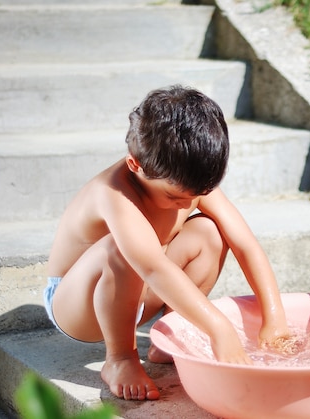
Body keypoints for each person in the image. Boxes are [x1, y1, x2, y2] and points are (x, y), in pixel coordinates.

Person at [44, 85, 292, 400]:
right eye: (174, 196)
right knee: (120, 250)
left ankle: (168, 337)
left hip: (137, 294)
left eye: (195, 195)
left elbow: (244, 243)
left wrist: (275, 317)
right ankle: (120, 358)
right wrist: (218, 327)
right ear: (136, 165)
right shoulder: (113, 194)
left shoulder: (188, 179)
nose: (184, 204)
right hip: (80, 306)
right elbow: (151, 266)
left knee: (210, 232)